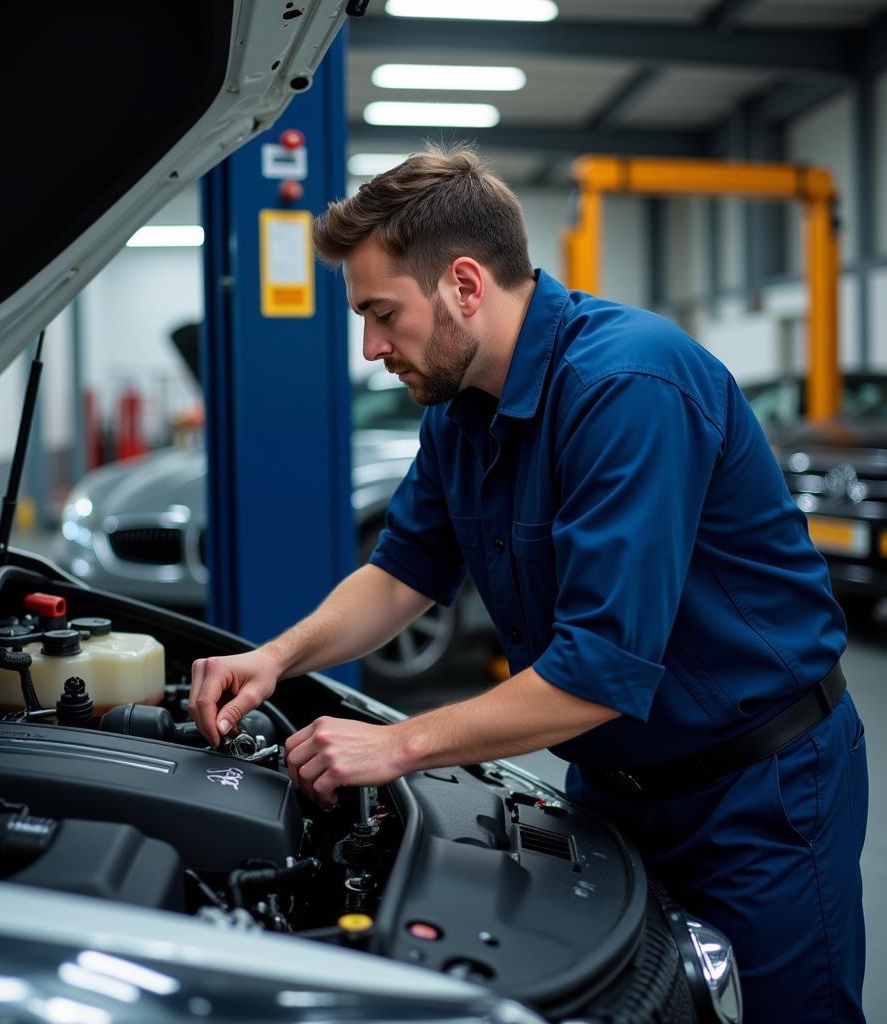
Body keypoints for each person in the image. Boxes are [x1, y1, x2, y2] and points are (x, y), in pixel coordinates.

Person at [189, 146, 867, 1022]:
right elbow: (401, 574)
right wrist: (275, 657)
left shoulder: (627, 387)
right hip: (615, 785)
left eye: (382, 313)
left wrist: (393, 746)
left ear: (464, 284)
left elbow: (597, 672)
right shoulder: (460, 409)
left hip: (757, 794)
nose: (371, 346)